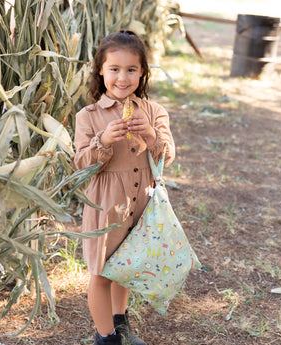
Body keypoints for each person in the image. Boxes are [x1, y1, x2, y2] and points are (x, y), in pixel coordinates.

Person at [74, 30, 175, 345]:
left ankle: (121, 323)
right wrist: (102, 141)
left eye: (131, 69)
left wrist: (150, 135)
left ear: (142, 71)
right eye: (114, 69)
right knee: (103, 272)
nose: (122, 77)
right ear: (101, 70)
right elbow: (81, 164)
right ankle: (106, 338)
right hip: (107, 204)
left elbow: (167, 156)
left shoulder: (154, 112)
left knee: (127, 266)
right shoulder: (88, 116)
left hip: (142, 204)